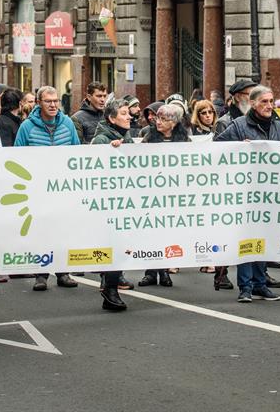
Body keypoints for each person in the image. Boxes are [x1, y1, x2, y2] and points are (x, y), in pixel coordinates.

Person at [216, 86, 280, 302]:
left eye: (271, 101)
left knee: (262, 240)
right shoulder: (239, 125)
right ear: (253, 103)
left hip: (269, 194)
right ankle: (245, 287)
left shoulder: (279, 126)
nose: (269, 105)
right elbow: (217, 148)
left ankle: (260, 284)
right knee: (246, 240)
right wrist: (238, 148)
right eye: (264, 102)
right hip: (245, 194)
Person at [14, 86, 80, 290]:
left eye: (56, 101)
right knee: (41, 231)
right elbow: (17, 155)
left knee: (62, 230)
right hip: (37, 189)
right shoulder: (27, 127)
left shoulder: (67, 123)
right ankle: (41, 274)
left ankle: (63, 272)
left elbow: (77, 152)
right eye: (48, 101)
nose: (52, 105)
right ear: (39, 103)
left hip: (63, 188)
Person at [90, 99, 136, 311]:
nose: (129, 117)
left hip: (125, 201)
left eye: (129, 113)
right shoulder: (101, 140)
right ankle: (110, 291)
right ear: (111, 118)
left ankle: (109, 285)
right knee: (114, 245)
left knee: (121, 246)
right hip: (109, 204)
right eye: (124, 113)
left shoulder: (125, 137)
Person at [139, 104, 191, 289]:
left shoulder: (185, 141)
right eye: (157, 118)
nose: (158, 122)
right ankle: (153, 272)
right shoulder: (148, 139)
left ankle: (162, 270)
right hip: (153, 195)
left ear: (175, 122)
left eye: (164, 119)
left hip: (173, 196)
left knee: (166, 234)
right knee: (152, 234)